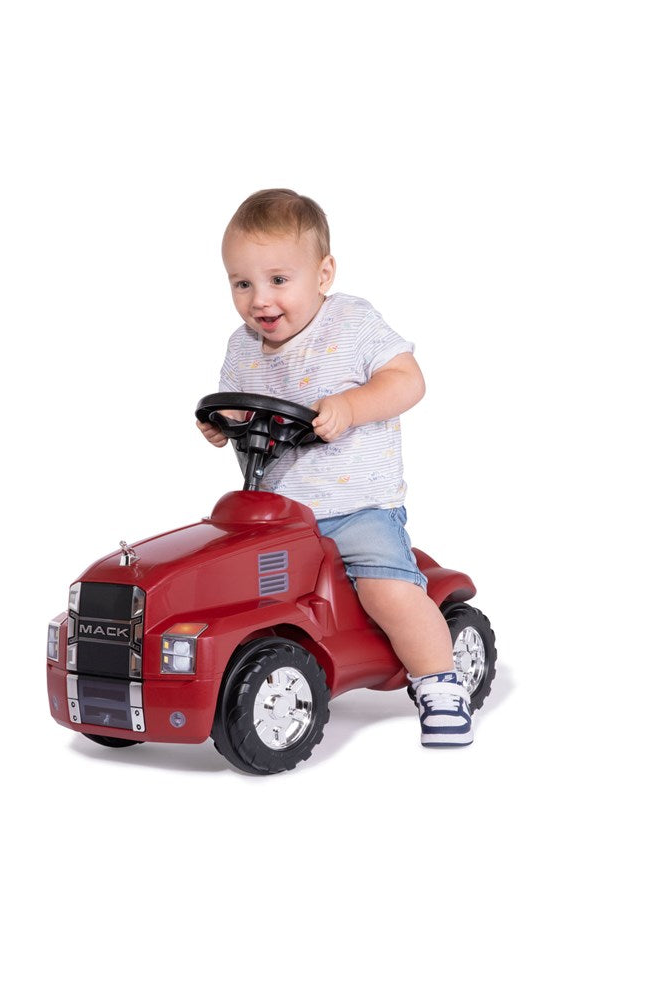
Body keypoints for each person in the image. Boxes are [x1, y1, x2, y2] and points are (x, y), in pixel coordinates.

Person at [197, 188, 473, 748]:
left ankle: (440, 683)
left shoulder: (351, 322)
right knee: (225, 581)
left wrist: (351, 406)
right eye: (242, 283)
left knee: (386, 590)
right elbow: (239, 409)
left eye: (279, 279)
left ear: (323, 274)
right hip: (276, 514)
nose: (259, 299)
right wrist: (223, 425)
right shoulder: (242, 346)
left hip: (356, 509)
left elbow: (407, 381)